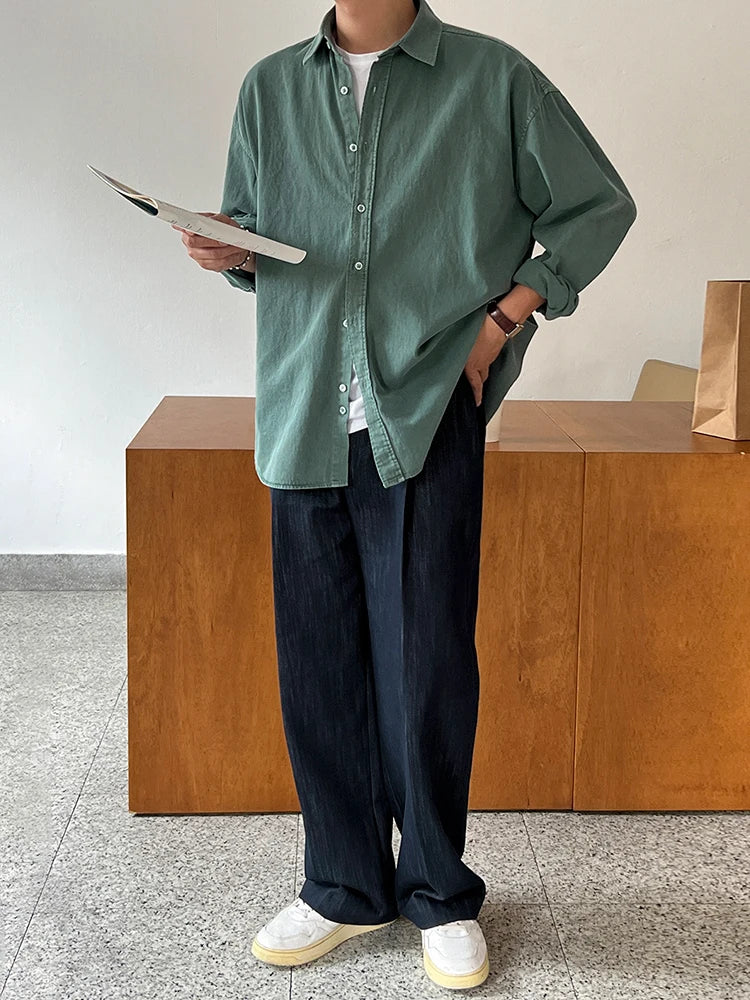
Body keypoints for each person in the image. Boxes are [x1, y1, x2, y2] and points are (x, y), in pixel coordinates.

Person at [175, 0, 637, 989]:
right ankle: (344, 885)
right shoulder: (270, 88)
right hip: (304, 406)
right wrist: (229, 249)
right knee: (319, 665)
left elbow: (597, 206)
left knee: (425, 662)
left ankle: (437, 891)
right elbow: (259, 244)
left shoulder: (492, 78)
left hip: (425, 405)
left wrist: (501, 324)